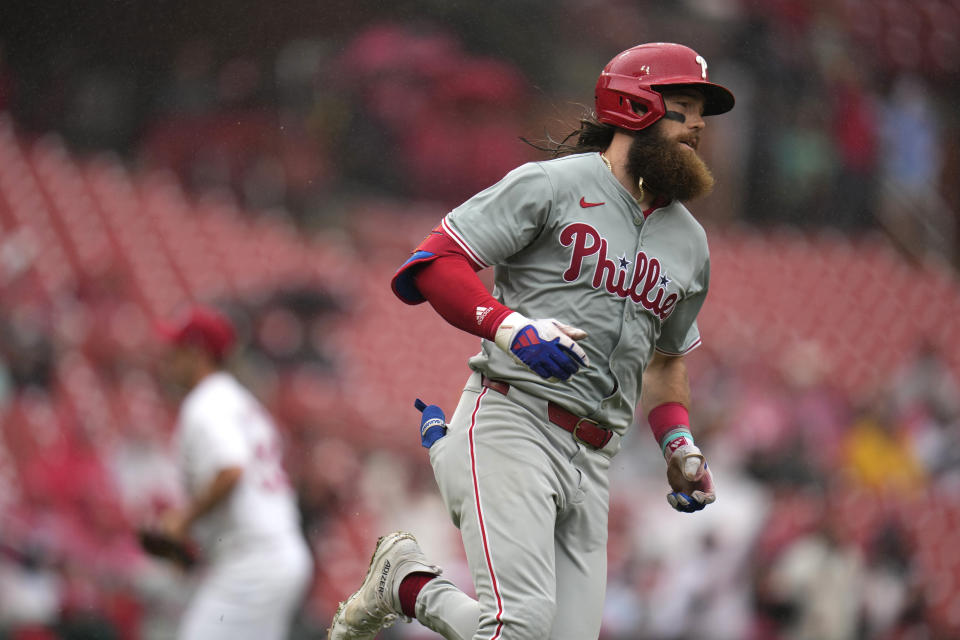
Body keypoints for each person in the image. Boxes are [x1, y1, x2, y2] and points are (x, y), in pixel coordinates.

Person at [329, 42, 731, 640]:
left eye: (702, 111)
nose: (698, 125)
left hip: (596, 458)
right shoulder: (554, 185)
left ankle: (407, 584)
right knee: (518, 628)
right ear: (633, 105)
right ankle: (408, 583)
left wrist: (678, 443)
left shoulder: (690, 242)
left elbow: (666, 359)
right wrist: (511, 328)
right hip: (517, 421)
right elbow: (432, 263)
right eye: (683, 106)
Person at [155, 305, 313, 640]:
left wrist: (183, 520)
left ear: (197, 353)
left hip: (253, 561)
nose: (168, 357)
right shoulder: (242, 402)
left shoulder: (205, 404)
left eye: (177, 348)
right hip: (275, 553)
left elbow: (231, 469)